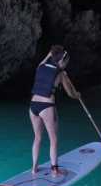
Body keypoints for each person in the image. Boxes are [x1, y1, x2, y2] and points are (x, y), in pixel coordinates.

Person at [29, 45, 80, 176]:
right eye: (66, 61)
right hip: (47, 106)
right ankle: (54, 170)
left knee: (37, 138)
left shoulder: (40, 67)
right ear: (61, 61)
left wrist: (50, 53)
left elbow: (47, 58)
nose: (66, 64)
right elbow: (70, 93)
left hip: (33, 106)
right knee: (53, 139)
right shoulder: (61, 73)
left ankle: (34, 168)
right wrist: (77, 95)